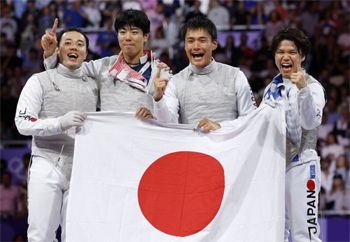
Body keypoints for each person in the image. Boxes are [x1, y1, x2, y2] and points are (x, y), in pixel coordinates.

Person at [15, 27, 99, 242]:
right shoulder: (39, 80)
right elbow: (22, 122)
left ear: (86, 53)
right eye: (68, 43)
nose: (74, 47)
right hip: (47, 161)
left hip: (83, 168)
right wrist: (59, 123)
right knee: (40, 236)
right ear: (58, 50)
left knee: (77, 237)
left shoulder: (96, 86)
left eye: (80, 44)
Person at [42, 10, 171, 116]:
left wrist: (154, 117)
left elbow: (171, 119)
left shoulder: (160, 72)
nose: (127, 37)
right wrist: (51, 52)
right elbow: (64, 70)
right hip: (110, 142)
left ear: (146, 36)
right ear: (117, 35)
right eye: (122, 32)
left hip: (143, 142)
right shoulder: (103, 65)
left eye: (134, 32)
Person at [262, 28, 326, 242]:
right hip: (276, 167)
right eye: (280, 52)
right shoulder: (271, 88)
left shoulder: (314, 87)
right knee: (275, 233)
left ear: (302, 56)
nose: (285, 57)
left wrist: (303, 90)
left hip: (302, 166)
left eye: (292, 52)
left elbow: (311, 122)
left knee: (304, 235)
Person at [152, 16, 256, 131]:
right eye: (190, 41)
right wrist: (159, 100)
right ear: (185, 46)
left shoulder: (236, 75)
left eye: (202, 40)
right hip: (193, 148)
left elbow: (251, 118)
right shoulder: (175, 82)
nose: (196, 46)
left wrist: (220, 127)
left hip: (229, 147)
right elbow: (168, 125)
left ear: (214, 44)